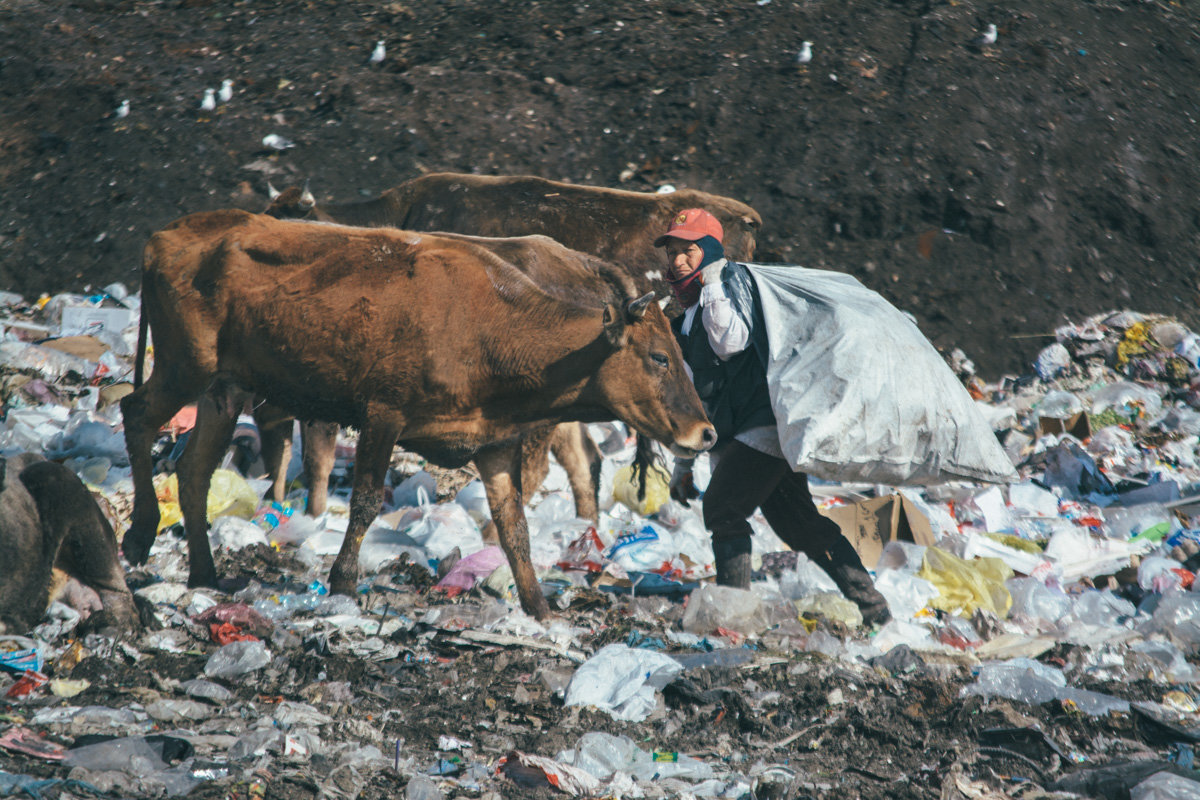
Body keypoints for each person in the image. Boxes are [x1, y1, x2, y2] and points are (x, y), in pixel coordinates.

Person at [655, 208, 891, 627]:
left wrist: (711, 284)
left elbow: (730, 342)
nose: (677, 260)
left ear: (709, 250)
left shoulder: (730, 287)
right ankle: (875, 610)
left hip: (763, 424)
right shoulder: (685, 320)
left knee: (724, 509)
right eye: (672, 251)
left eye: (688, 250)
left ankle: (731, 618)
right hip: (739, 432)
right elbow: (694, 399)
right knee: (800, 526)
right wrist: (682, 464)